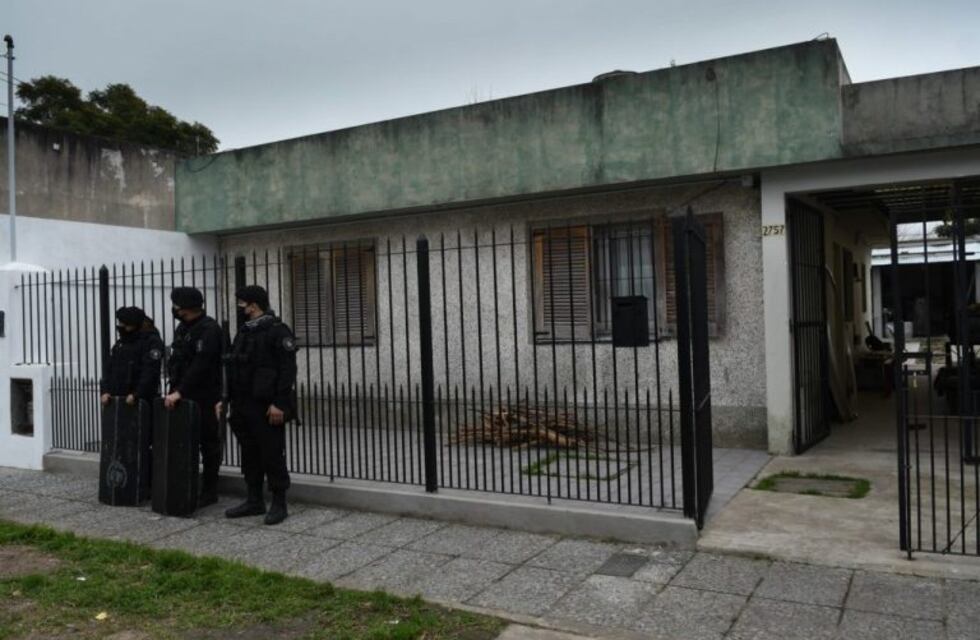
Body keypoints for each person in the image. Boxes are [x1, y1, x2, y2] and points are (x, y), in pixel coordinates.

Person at [219, 285, 297, 525]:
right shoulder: (244, 331)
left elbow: (287, 370)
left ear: (254, 305)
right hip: (243, 403)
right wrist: (226, 401)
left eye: (242, 303)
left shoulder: (277, 330)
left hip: (266, 405)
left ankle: (279, 503)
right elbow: (234, 366)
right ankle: (254, 500)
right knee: (250, 453)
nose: (240, 307)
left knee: (271, 453)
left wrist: (279, 404)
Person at [164, 287, 225, 508]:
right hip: (181, 396)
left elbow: (201, 366)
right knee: (183, 442)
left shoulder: (209, 329)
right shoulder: (184, 327)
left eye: (177, 306)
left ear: (186, 308)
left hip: (204, 397)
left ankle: (209, 491)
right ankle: (185, 485)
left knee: (208, 445)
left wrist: (180, 391)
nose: (175, 310)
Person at [100, 306, 164, 406]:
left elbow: (150, 371)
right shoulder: (120, 344)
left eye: (124, 324)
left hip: (140, 402)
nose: (120, 327)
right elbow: (109, 369)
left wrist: (137, 394)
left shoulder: (151, 342)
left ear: (134, 325)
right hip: (118, 400)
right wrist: (105, 391)